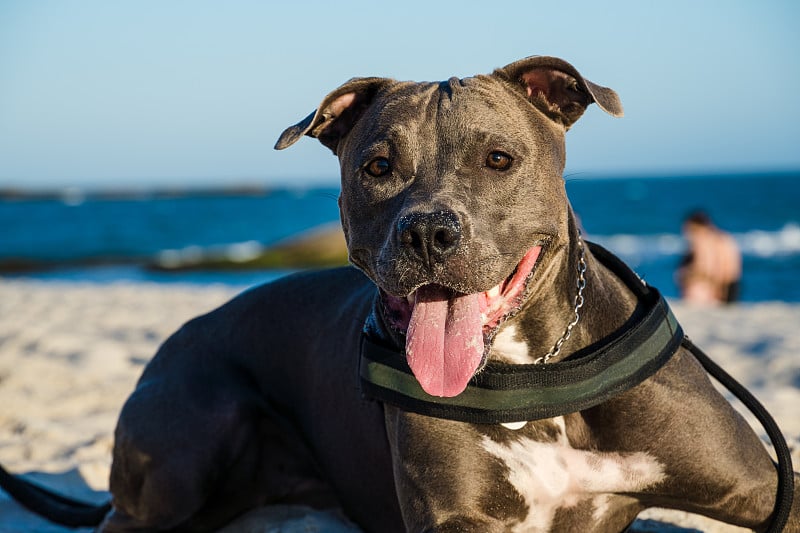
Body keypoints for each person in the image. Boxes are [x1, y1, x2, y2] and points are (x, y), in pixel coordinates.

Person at [677, 210, 742, 305]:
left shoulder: (702, 241)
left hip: (717, 290)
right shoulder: (725, 238)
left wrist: (684, 275)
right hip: (733, 285)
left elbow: (708, 269)